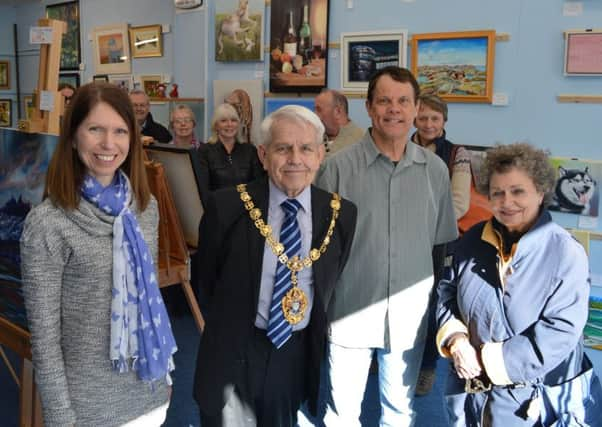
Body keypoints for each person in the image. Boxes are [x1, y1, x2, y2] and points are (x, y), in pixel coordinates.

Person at [20, 82, 177, 427]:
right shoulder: (47, 224)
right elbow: (45, 340)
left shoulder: (144, 209)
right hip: (88, 409)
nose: (109, 144)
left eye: (120, 131)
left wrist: (164, 377)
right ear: (74, 136)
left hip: (149, 393)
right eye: (95, 129)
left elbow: (149, 302)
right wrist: (61, 417)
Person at [192, 105, 357, 427]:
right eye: (283, 148)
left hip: (293, 354)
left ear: (321, 154)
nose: (295, 159)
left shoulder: (340, 214)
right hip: (233, 350)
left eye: (306, 148)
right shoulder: (226, 207)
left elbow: (330, 282)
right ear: (264, 155)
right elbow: (205, 285)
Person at [316, 66, 458, 425]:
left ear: (414, 110)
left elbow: (438, 248)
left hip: (410, 316)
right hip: (350, 310)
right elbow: (319, 251)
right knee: (342, 413)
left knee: (400, 411)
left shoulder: (437, 171)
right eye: (384, 101)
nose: (393, 109)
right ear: (369, 107)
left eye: (402, 101)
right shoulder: (336, 170)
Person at [436, 143, 602, 426]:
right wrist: (457, 340)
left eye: (518, 191)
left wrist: (488, 361)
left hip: (532, 401)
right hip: (469, 393)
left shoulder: (565, 252)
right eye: (498, 193)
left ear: (540, 192)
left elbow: (560, 330)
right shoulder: (472, 240)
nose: (506, 202)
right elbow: (446, 293)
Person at [411, 93, 472, 395]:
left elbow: (458, 203)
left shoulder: (457, 154)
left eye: (435, 118)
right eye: (423, 118)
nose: (428, 124)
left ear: (444, 121)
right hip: (400, 237)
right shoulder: (399, 147)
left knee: (434, 304)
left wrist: (419, 220)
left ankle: (426, 367)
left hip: (439, 242)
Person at [197, 103, 264, 208]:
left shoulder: (250, 150)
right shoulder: (204, 151)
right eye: (223, 121)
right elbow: (203, 190)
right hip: (218, 211)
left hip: (246, 211)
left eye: (233, 120)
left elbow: (258, 184)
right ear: (216, 125)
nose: (229, 124)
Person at [314, 89, 364, 157]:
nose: (314, 114)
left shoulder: (361, 143)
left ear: (337, 112)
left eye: (319, 110)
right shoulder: (315, 135)